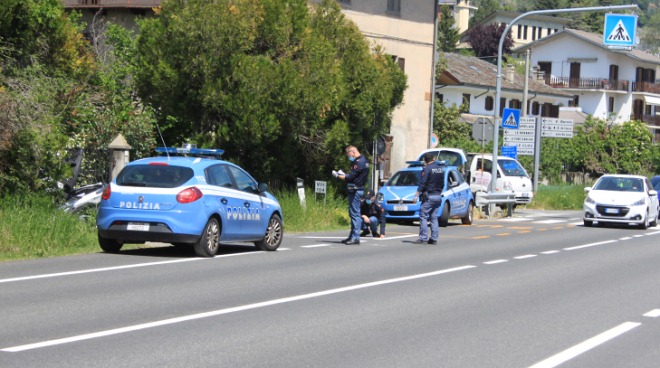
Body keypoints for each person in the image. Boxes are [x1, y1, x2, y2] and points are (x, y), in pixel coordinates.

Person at [332, 145, 369, 245]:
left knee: (355, 214)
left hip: (356, 190)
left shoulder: (359, 162)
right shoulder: (364, 160)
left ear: (353, 152)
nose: (349, 157)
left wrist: (338, 175)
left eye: (349, 155)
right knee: (353, 213)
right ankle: (352, 236)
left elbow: (351, 177)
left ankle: (355, 237)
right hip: (357, 189)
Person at [412, 153, 445, 244]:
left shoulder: (427, 169)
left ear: (425, 161)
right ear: (433, 159)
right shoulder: (440, 169)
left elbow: (422, 183)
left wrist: (416, 196)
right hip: (438, 196)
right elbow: (442, 183)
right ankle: (434, 238)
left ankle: (423, 238)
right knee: (434, 217)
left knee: (423, 216)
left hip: (429, 196)